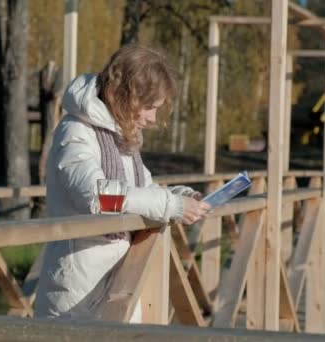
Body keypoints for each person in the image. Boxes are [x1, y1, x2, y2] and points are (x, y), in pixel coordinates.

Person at [34, 44, 211, 321]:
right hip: (78, 297)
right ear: (121, 95)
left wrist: (182, 197)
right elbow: (99, 198)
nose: (153, 118)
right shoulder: (76, 131)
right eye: (149, 107)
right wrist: (170, 204)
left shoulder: (120, 138)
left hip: (119, 286)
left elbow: (142, 191)